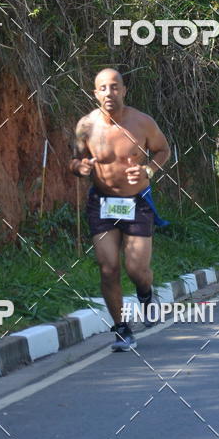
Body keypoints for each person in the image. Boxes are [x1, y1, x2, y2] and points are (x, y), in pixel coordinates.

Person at [69, 68, 170, 351]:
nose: (109, 93)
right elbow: (74, 161)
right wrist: (81, 167)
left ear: (123, 90)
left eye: (115, 87)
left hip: (136, 203)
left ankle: (146, 295)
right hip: (102, 204)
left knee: (137, 268)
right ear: (95, 93)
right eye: (103, 88)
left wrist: (149, 169)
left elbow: (163, 150)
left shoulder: (142, 122)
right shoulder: (86, 126)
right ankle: (122, 329)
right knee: (108, 267)